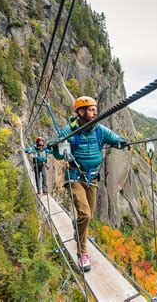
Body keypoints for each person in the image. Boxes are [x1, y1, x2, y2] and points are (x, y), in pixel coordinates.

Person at [52, 96, 128, 272]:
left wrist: (121, 141)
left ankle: (77, 224)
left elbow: (114, 138)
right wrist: (55, 146)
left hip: (92, 178)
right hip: (75, 177)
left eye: (95, 109)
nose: (95, 112)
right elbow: (57, 154)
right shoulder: (69, 131)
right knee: (85, 214)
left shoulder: (99, 130)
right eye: (91, 109)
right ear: (81, 112)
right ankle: (82, 253)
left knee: (87, 216)